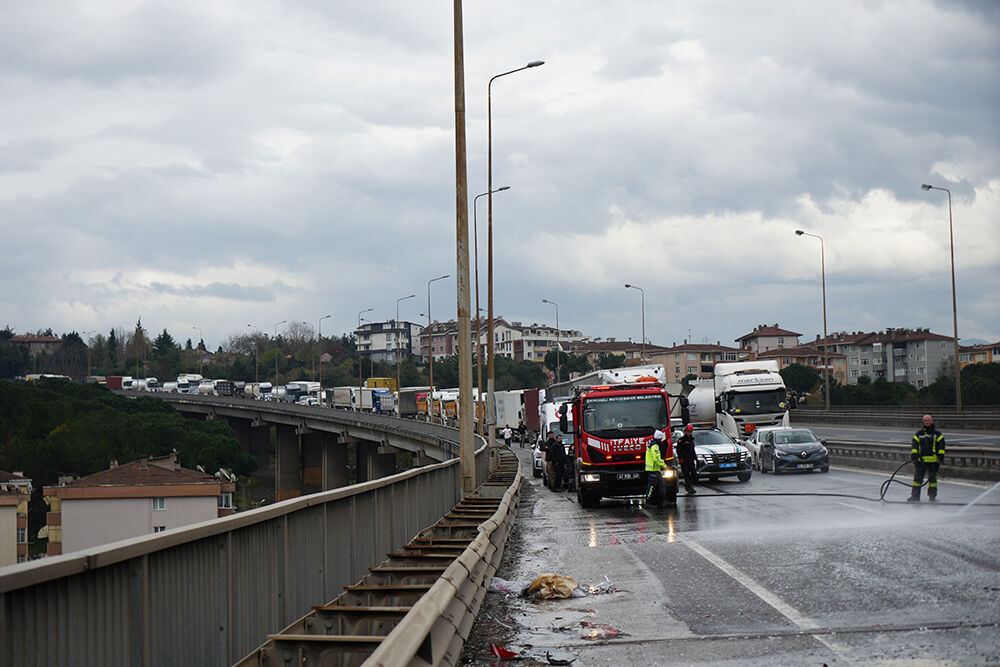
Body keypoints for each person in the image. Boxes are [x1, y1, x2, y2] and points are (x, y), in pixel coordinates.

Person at [908, 414, 946, 502]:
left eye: (928, 420)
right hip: (921, 461)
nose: (927, 421)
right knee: (917, 479)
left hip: (933, 461)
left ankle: (932, 497)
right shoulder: (919, 434)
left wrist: (940, 457)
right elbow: (914, 445)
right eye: (925, 420)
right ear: (923, 422)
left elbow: (941, 446)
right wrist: (914, 455)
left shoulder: (937, 434)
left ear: (932, 421)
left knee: (933, 481)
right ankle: (915, 496)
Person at [644, 430, 669, 507]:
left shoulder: (653, 444)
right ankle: (648, 502)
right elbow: (656, 458)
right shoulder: (654, 446)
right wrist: (664, 466)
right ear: (659, 438)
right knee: (652, 487)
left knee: (662, 485)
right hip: (653, 470)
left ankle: (664, 501)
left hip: (655, 470)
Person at [675, 424, 698, 495]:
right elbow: (678, 450)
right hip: (684, 460)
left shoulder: (691, 440)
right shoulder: (682, 440)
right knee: (686, 474)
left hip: (691, 459)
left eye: (690, 432)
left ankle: (687, 484)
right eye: (688, 431)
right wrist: (680, 458)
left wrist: (695, 458)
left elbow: (692, 450)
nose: (689, 433)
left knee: (694, 473)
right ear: (685, 432)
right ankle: (689, 488)